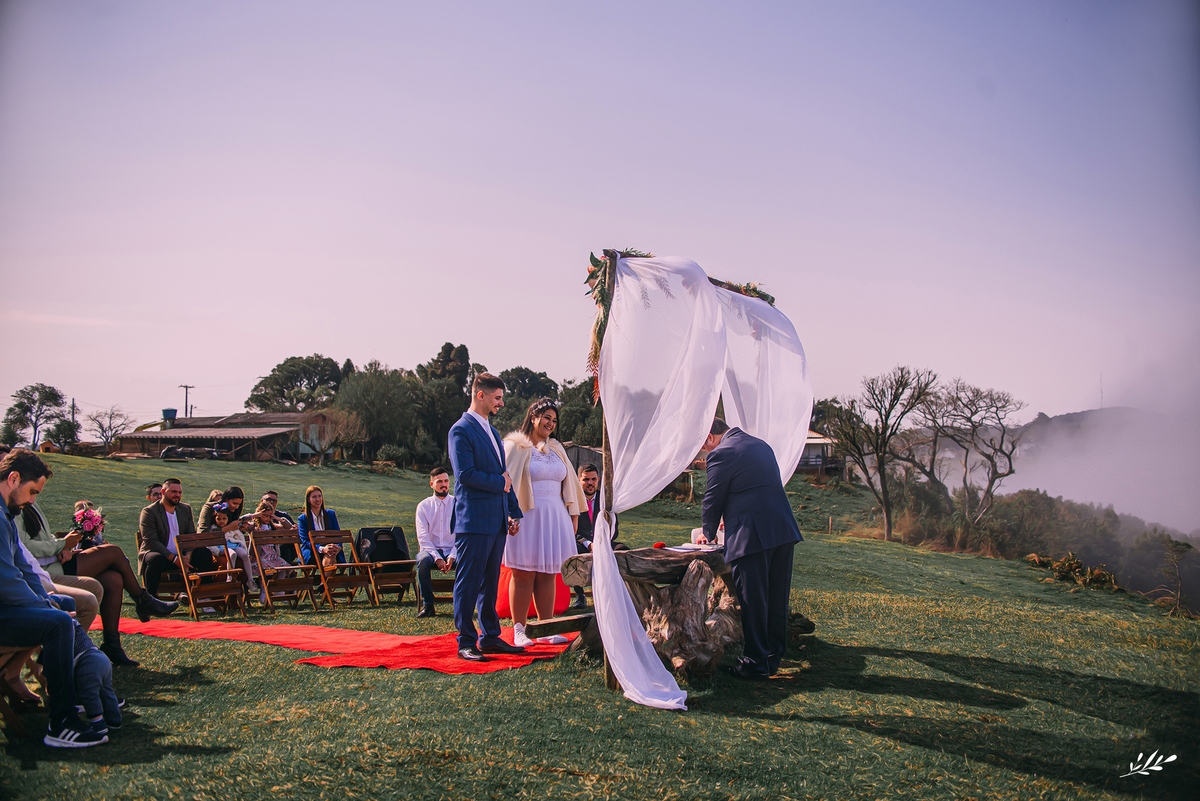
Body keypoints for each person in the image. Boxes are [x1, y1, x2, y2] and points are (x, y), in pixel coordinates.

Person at [0, 449, 106, 747]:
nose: (33, 500)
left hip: (5, 606)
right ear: (13, 478)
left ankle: (66, 691)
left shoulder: (6, 515)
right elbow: (6, 580)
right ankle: (62, 720)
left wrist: (47, 601)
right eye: (32, 491)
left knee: (64, 606)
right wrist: (45, 606)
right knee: (58, 621)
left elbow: (24, 569)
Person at [698, 419, 802, 680]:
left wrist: (707, 533)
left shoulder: (722, 453)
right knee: (776, 599)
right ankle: (773, 657)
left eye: (703, 446)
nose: (705, 453)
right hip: (782, 530)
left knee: (753, 601)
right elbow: (754, 490)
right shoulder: (761, 445)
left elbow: (713, 497)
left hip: (751, 535)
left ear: (710, 437)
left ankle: (755, 663)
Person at [20, 498, 177, 667]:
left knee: (113, 580)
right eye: (35, 488)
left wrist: (64, 547)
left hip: (56, 559)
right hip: (46, 569)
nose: (36, 494)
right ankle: (142, 599)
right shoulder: (14, 508)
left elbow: (44, 536)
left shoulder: (30, 503)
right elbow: (25, 546)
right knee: (113, 552)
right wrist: (62, 544)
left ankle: (112, 644)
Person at [447, 373, 525, 661]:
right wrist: (500, 484)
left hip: (496, 520)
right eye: (497, 397)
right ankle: (466, 641)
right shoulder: (461, 430)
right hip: (473, 521)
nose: (501, 403)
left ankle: (491, 637)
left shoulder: (492, 432)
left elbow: (505, 477)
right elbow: (465, 475)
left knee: (490, 583)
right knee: (468, 583)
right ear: (480, 395)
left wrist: (513, 512)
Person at [502, 398, 586, 646]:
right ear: (533, 417)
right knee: (523, 573)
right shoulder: (515, 447)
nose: (551, 423)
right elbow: (506, 482)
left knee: (549, 573)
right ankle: (519, 629)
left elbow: (570, 485)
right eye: (546, 417)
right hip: (526, 515)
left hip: (555, 515)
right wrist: (509, 514)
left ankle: (546, 626)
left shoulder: (557, 448)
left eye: (554, 420)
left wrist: (573, 516)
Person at [571, 463, 628, 608]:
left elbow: (614, 526)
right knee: (572, 551)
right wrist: (589, 544)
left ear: (598, 479)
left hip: (605, 540)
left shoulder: (606, 500)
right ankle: (580, 595)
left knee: (623, 550)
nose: (590, 483)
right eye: (585, 479)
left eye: (593, 479)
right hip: (583, 544)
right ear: (579, 480)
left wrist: (602, 542)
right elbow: (572, 530)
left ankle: (619, 593)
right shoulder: (573, 501)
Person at [138, 477, 204, 597]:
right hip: (161, 554)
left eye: (179, 492)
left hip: (182, 555)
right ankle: (150, 599)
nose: (177, 495)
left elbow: (191, 536)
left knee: (203, 553)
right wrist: (174, 559)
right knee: (155, 559)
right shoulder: (149, 512)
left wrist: (187, 558)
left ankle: (204, 596)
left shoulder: (185, 509)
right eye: (173, 492)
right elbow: (151, 541)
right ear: (163, 492)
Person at [413, 467, 456, 618]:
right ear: (431, 484)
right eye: (439, 482)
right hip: (431, 550)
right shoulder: (423, 506)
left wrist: (453, 555)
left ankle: (462, 603)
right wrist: (437, 557)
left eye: (446, 481)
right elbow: (423, 537)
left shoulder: (458, 504)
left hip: (453, 549)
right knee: (422, 561)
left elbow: (462, 535)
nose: (443, 485)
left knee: (469, 559)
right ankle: (428, 605)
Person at [207, 503, 259, 596]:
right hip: (223, 547)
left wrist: (242, 546)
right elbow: (210, 541)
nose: (221, 521)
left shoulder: (232, 528)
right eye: (219, 519)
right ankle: (230, 576)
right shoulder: (214, 529)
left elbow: (240, 537)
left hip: (234, 545)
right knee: (232, 555)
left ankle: (250, 579)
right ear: (215, 519)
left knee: (244, 555)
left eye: (224, 519)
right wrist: (217, 551)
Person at [297, 486, 343, 567]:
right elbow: (306, 542)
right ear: (308, 499)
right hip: (312, 552)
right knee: (330, 555)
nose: (318, 499)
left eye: (319, 496)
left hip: (330, 550)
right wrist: (323, 549)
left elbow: (338, 535)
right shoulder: (303, 519)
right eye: (314, 497)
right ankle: (327, 579)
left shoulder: (331, 514)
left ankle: (325, 579)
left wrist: (337, 547)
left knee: (331, 554)